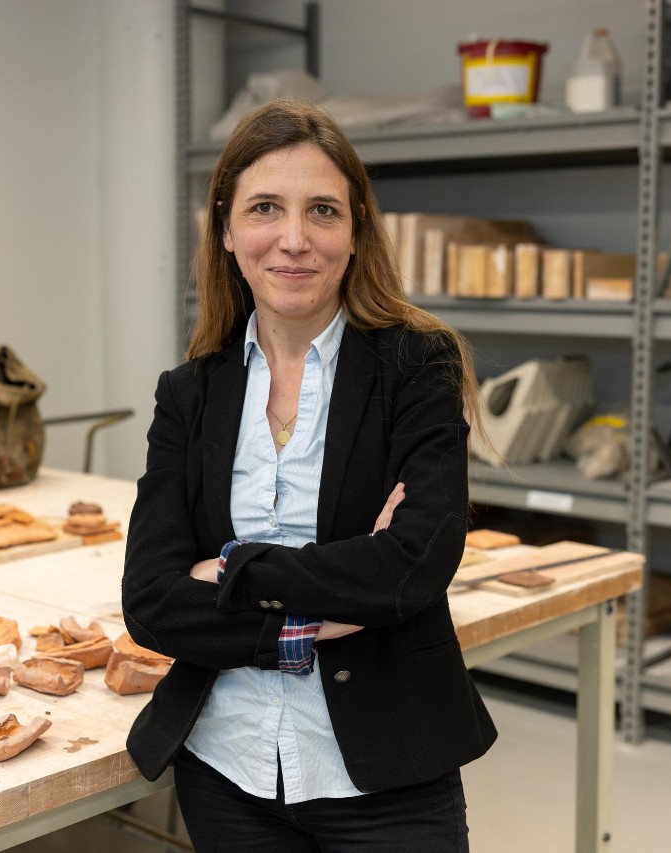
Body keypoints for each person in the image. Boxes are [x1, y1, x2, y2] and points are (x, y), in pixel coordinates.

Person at [122, 97, 496, 852]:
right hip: (227, 766)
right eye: (266, 208)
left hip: (387, 772)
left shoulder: (417, 368)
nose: (294, 239)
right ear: (226, 230)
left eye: (322, 210)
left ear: (354, 231)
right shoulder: (189, 393)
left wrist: (227, 567)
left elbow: (412, 568)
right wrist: (316, 620)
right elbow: (152, 600)